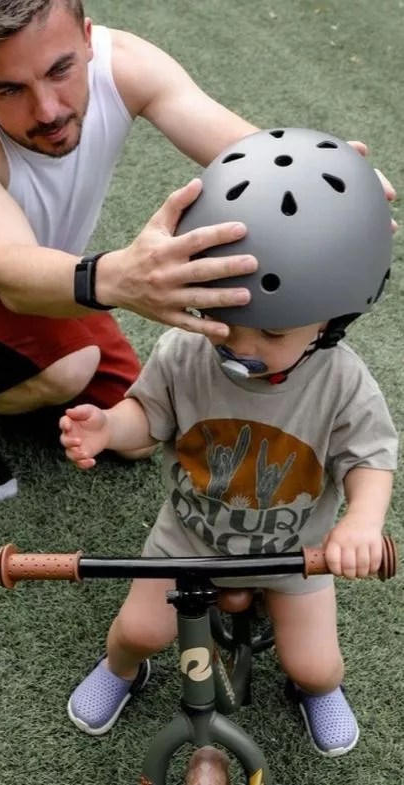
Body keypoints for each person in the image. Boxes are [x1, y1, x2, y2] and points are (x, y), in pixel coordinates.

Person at [0, 0, 395, 503]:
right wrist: (119, 279)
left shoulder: (125, 63)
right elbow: (6, 270)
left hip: (57, 268)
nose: (48, 110)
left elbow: (247, 152)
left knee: (135, 434)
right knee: (69, 370)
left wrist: (325, 184)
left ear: (87, 38)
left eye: (60, 69)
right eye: (9, 88)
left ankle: (26, 363)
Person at [60, 128, 398, 758]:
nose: (241, 347)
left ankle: (314, 692)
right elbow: (149, 415)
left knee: (317, 665)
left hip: (295, 552)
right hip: (187, 540)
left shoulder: (341, 381)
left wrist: (363, 522)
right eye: (225, 321)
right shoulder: (186, 352)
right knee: (135, 630)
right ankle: (124, 672)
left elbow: (369, 460)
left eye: (269, 330)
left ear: (333, 317)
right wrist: (110, 427)